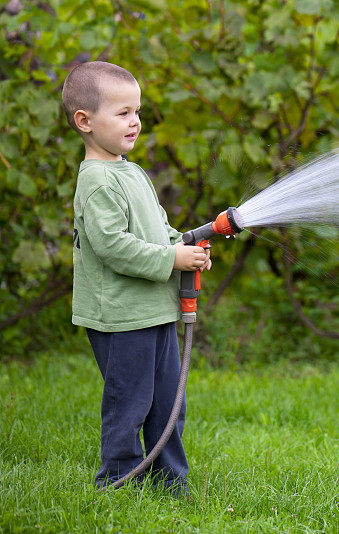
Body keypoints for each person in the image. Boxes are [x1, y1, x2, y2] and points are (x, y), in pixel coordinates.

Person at [62, 61, 210, 497]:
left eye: (138, 111)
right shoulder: (96, 180)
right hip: (122, 318)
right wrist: (171, 258)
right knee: (130, 405)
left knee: (168, 403)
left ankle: (170, 482)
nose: (136, 122)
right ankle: (118, 482)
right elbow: (113, 246)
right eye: (123, 112)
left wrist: (185, 249)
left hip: (155, 309)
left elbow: (157, 229)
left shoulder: (130, 171)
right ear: (85, 122)